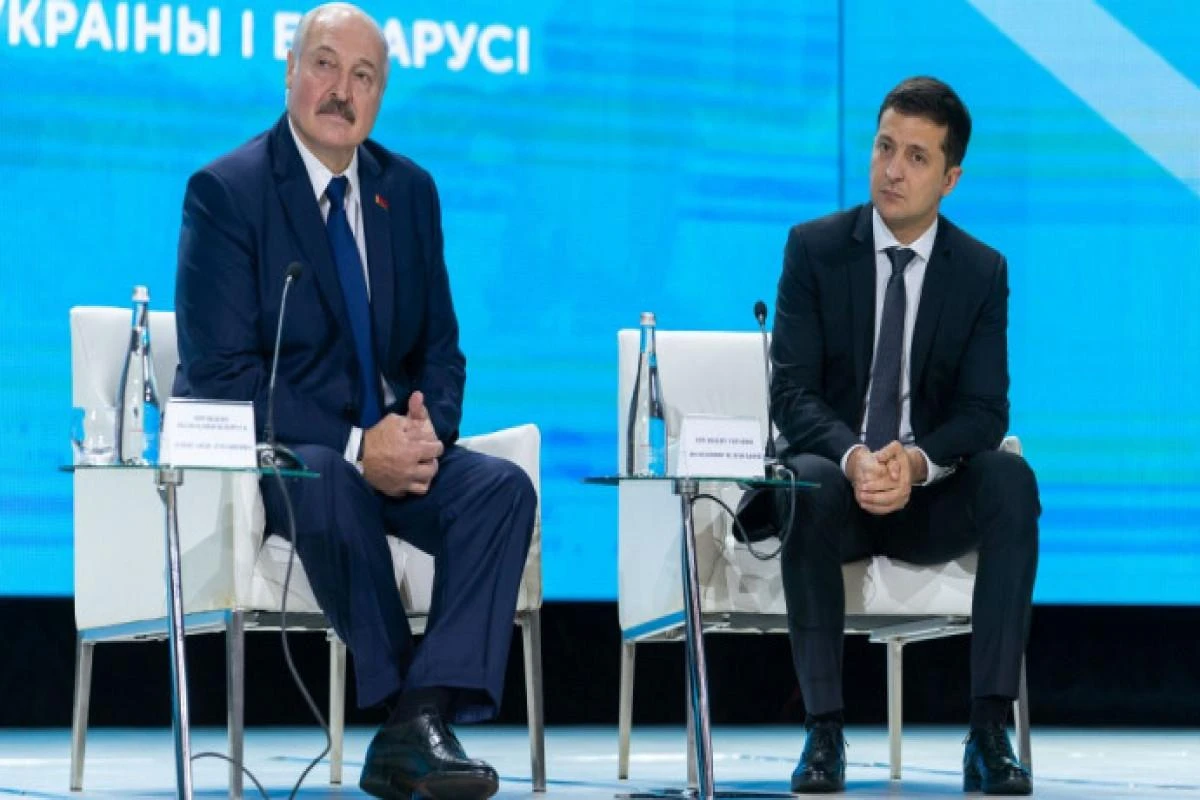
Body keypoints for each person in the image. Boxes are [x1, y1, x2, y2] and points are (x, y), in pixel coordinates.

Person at [172, 4, 536, 799]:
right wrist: (355, 445)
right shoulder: (227, 192)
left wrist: (426, 431)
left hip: (393, 451)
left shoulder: (409, 191)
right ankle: (413, 719)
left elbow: (441, 349)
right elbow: (220, 377)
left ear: (380, 96)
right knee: (328, 478)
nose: (341, 90)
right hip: (291, 456)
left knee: (502, 490)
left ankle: (418, 721)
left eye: (363, 76)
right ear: (290, 73)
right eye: (325, 65)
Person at [750, 76, 1039, 794]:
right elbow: (791, 392)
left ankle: (989, 732)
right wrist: (855, 457)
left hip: (926, 499)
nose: (892, 170)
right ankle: (823, 733)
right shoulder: (814, 249)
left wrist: (914, 461)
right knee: (809, 480)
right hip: (835, 496)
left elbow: (985, 411)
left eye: (916, 157)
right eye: (884, 147)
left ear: (950, 178)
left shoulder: (981, 271)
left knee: (1010, 480)